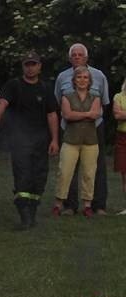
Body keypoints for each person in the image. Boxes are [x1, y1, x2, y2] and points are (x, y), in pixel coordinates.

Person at [0, 52, 59, 228]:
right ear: (23, 66)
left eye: (33, 64)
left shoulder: (45, 88)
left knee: (39, 177)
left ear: (39, 66)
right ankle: (25, 217)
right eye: (27, 64)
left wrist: (54, 140)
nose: (30, 67)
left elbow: (52, 114)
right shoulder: (14, 85)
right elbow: (2, 103)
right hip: (20, 139)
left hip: (41, 140)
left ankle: (33, 214)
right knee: (23, 177)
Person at [53, 43, 110, 214]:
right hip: (69, 129)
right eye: (74, 55)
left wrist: (82, 114)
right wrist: (85, 114)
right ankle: (70, 206)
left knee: (96, 167)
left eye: (80, 55)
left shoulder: (99, 76)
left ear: (86, 57)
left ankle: (98, 205)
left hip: (94, 129)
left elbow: (103, 104)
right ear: (70, 58)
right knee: (68, 167)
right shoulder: (62, 77)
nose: (77, 57)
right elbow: (60, 106)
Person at [51, 66, 101, 219]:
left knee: (89, 173)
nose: (82, 80)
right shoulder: (67, 96)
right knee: (64, 172)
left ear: (90, 80)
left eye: (85, 77)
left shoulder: (96, 97)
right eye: (79, 77)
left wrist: (78, 114)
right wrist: (86, 114)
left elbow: (95, 115)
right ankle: (58, 204)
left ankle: (87, 205)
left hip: (90, 141)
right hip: (71, 140)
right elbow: (67, 115)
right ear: (74, 80)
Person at [113, 76, 126, 208]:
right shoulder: (118, 96)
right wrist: (121, 114)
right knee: (124, 173)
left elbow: (122, 114)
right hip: (123, 137)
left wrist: (124, 113)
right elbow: (117, 115)